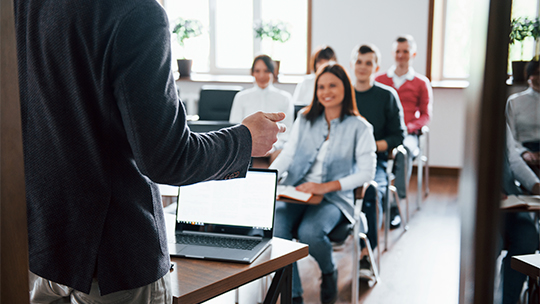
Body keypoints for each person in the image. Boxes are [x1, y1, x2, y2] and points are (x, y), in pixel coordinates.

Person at [15, 0, 285, 303]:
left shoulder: (24, 6)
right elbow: (169, 159)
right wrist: (245, 140)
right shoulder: (135, 12)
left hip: (41, 246)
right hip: (114, 259)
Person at [270, 63, 376, 304]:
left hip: (333, 198)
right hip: (297, 190)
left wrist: (324, 187)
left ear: (345, 89)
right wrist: (268, 179)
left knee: (311, 232)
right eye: (321, 87)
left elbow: (366, 173)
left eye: (332, 86)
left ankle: (329, 272)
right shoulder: (305, 118)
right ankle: (293, 294)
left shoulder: (360, 127)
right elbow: (288, 153)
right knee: (277, 229)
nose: (326, 91)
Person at [351, 44, 407, 267]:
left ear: (377, 67)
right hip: (343, 162)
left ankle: (367, 251)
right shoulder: (343, 95)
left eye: (368, 63)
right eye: (359, 61)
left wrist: (371, 146)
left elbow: (398, 136)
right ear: (352, 64)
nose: (363, 67)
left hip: (376, 161)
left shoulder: (387, 96)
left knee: (371, 192)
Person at [375, 35, 433, 228]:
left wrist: (409, 127)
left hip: (408, 134)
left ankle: (394, 204)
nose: (401, 55)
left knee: (404, 152)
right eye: (398, 51)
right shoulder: (380, 79)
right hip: (383, 133)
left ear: (413, 54)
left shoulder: (421, 82)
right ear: (393, 53)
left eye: (405, 51)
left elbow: (425, 115)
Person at [499, 125, 540, 304]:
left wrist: (535, 186)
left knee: (528, 237)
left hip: (510, 199)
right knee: (493, 243)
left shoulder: (502, 122)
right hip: (484, 203)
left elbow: (513, 159)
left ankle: (508, 300)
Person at [229, 54, 294, 163]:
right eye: (257, 71)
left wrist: (273, 146)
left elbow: (288, 130)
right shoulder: (241, 97)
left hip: (275, 149)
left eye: (266, 71)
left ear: (273, 72)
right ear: (252, 73)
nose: (261, 75)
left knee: (282, 157)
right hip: (247, 148)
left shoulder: (285, 98)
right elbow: (234, 125)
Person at [506, 59, 540, 176]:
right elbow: (510, 135)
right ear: (528, 76)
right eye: (537, 73)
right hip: (523, 148)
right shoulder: (515, 101)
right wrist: (523, 152)